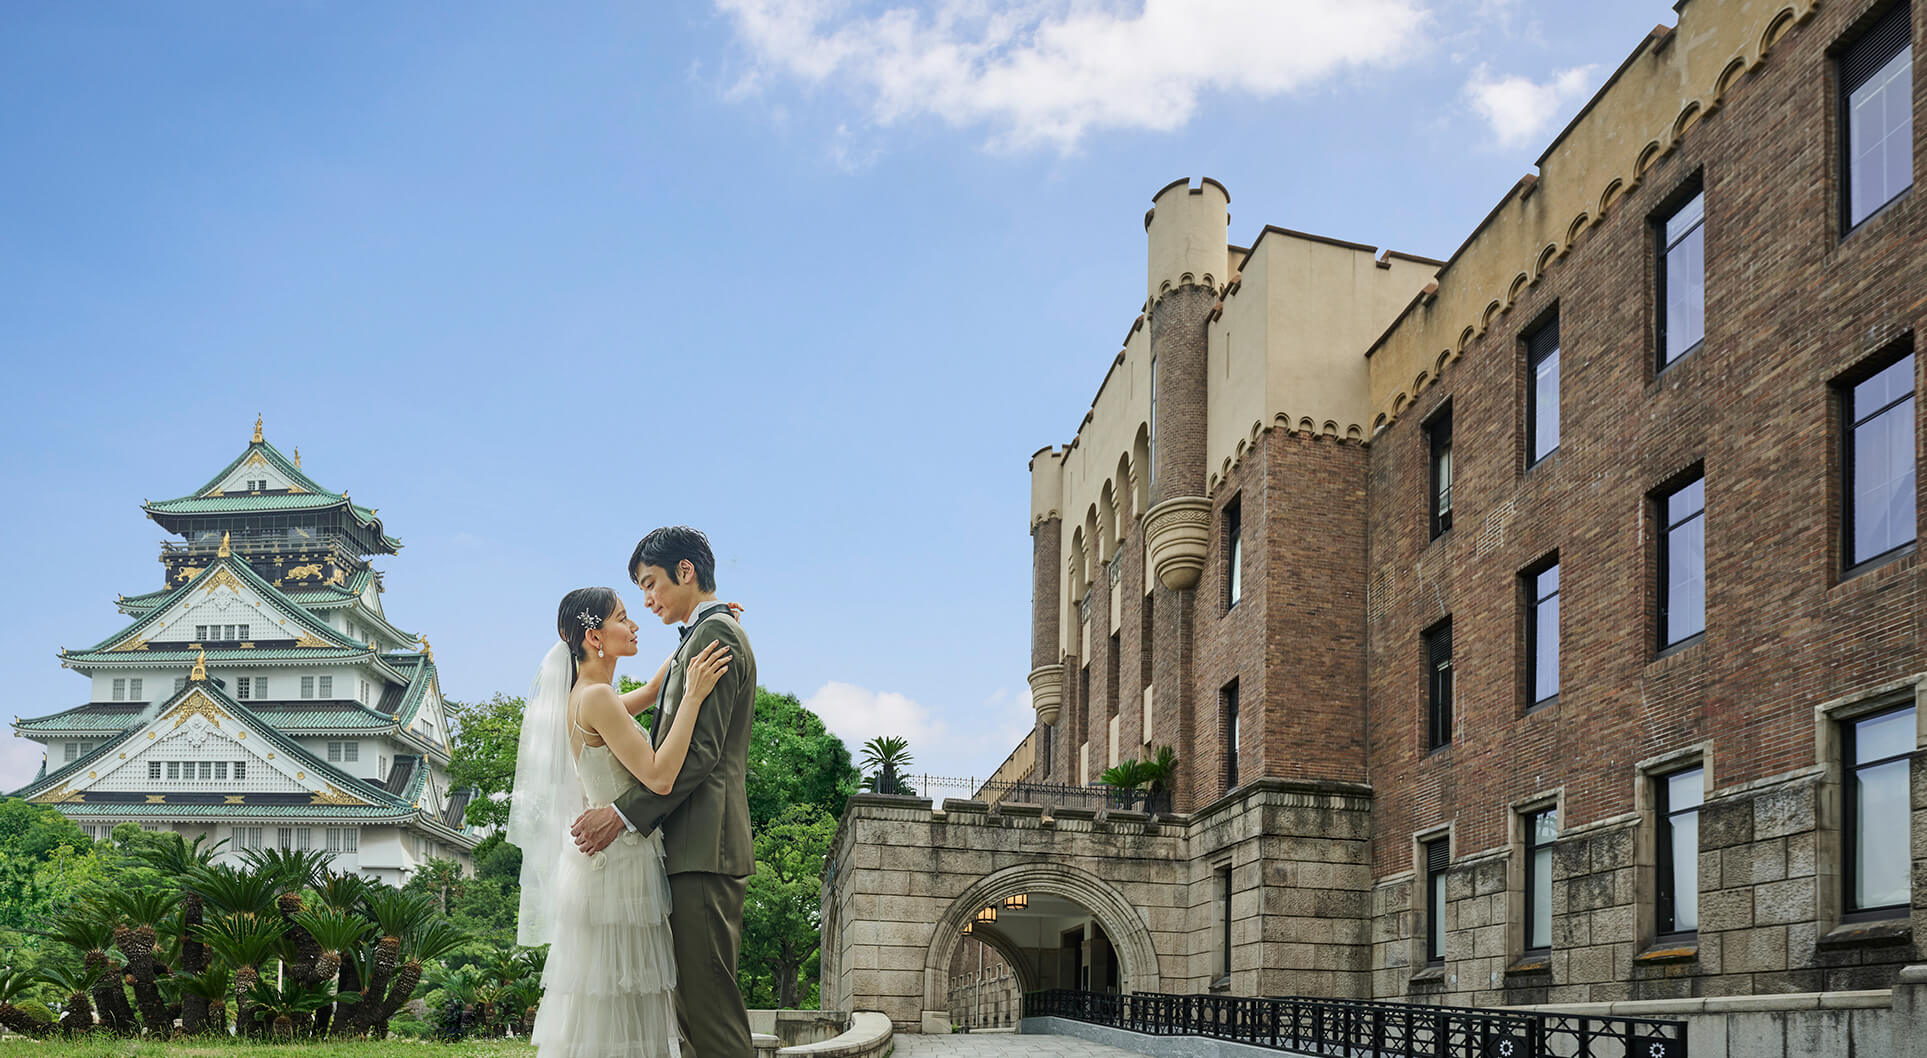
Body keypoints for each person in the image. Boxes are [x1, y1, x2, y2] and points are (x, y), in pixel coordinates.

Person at [507, 585, 731, 1058]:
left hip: (606, 863)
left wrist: (702, 629)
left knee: (608, 1003)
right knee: (620, 1001)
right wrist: (693, 697)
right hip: (622, 866)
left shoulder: (587, 695)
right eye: (623, 618)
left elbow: (650, 693)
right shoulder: (597, 698)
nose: (634, 626)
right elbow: (660, 777)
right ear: (594, 637)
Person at [570, 526, 757, 1058]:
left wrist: (621, 815)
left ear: (685, 571)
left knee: (710, 1015)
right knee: (692, 1017)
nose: (647, 602)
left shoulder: (715, 637)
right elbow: (659, 695)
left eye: (651, 584)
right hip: (689, 849)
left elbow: (700, 756)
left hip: (704, 847)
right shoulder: (700, 638)